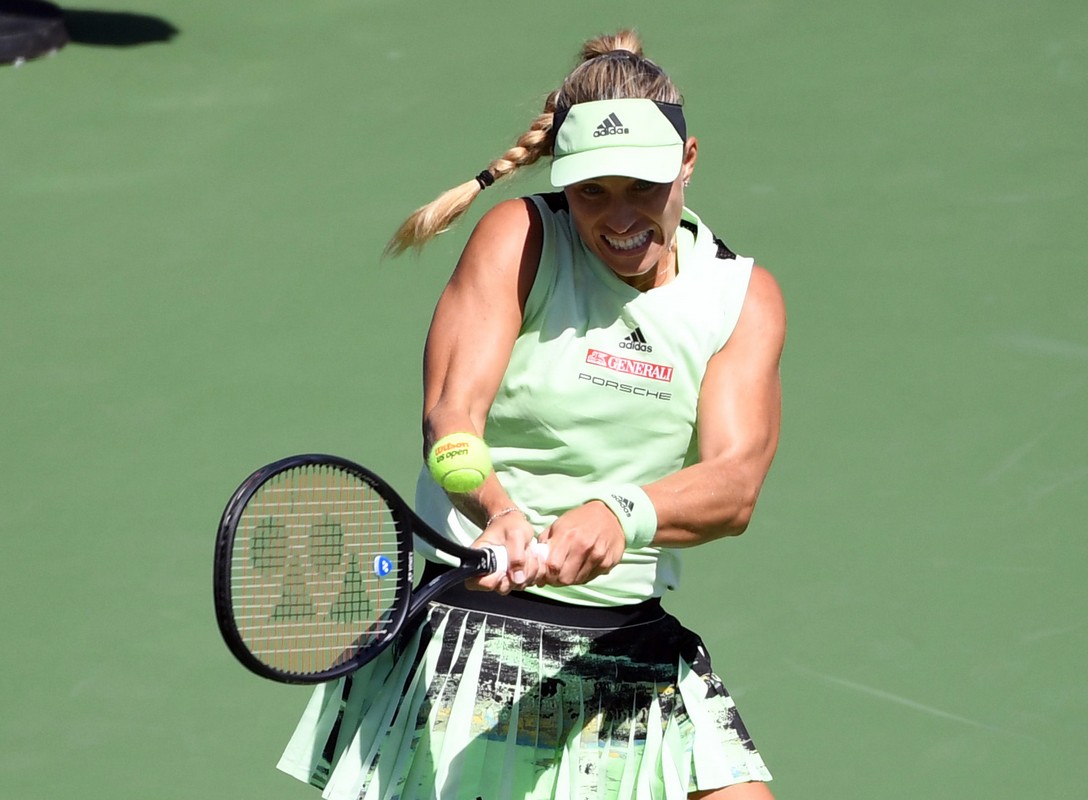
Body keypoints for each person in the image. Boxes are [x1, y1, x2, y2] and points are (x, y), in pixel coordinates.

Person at [277, 29, 785, 800]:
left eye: (643, 187)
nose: (620, 219)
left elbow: (735, 482)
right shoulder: (520, 238)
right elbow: (452, 419)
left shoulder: (738, 297)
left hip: (627, 639)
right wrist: (498, 509)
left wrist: (622, 513)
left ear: (688, 161)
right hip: (479, 638)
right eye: (593, 192)